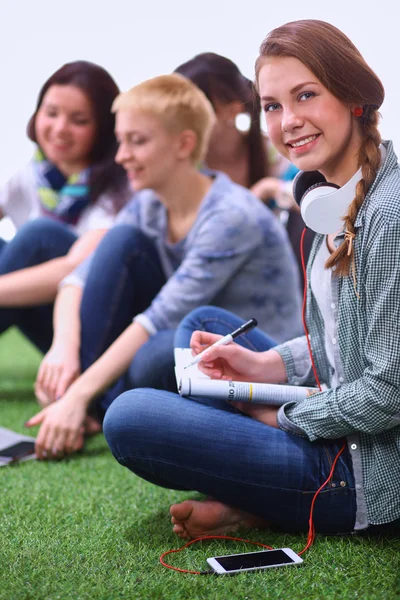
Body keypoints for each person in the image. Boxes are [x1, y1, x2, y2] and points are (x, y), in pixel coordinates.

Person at [103, 20, 400, 539]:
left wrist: (279, 415)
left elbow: (390, 389)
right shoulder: (326, 203)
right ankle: (262, 494)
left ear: (355, 98)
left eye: (306, 95)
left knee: (129, 417)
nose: (288, 121)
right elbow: (341, 343)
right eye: (272, 105)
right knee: (204, 326)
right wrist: (266, 364)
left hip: (364, 470)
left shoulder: (389, 217)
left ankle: (266, 500)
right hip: (336, 413)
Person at [26, 73, 302, 458]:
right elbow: (77, 279)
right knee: (119, 243)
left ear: (183, 145)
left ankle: (86, 403)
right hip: (188, 333)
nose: (121, 155)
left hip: (249, 353)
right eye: (121, 141)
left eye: (136, 142)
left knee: (155, 355)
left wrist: (78, 391)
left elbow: (156, 319)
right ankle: (82, 405)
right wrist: (63, 350)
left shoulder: (230, 215)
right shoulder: (148, 203)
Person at [0, 60, 130, 354]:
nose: (60, 129)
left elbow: (72, 269)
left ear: (104, 128)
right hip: (39, 306)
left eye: (79, 120)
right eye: (51, 113)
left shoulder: (121, 186)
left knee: (40, 235)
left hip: (83, 328)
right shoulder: (34, 173)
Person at [175, 52, 313, 282]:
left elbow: (320, 205)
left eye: (193, 109)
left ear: (232, 109)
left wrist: (272, 188)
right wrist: (259, 194)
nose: (181, 122)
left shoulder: (279, 155)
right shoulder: (185, 170)